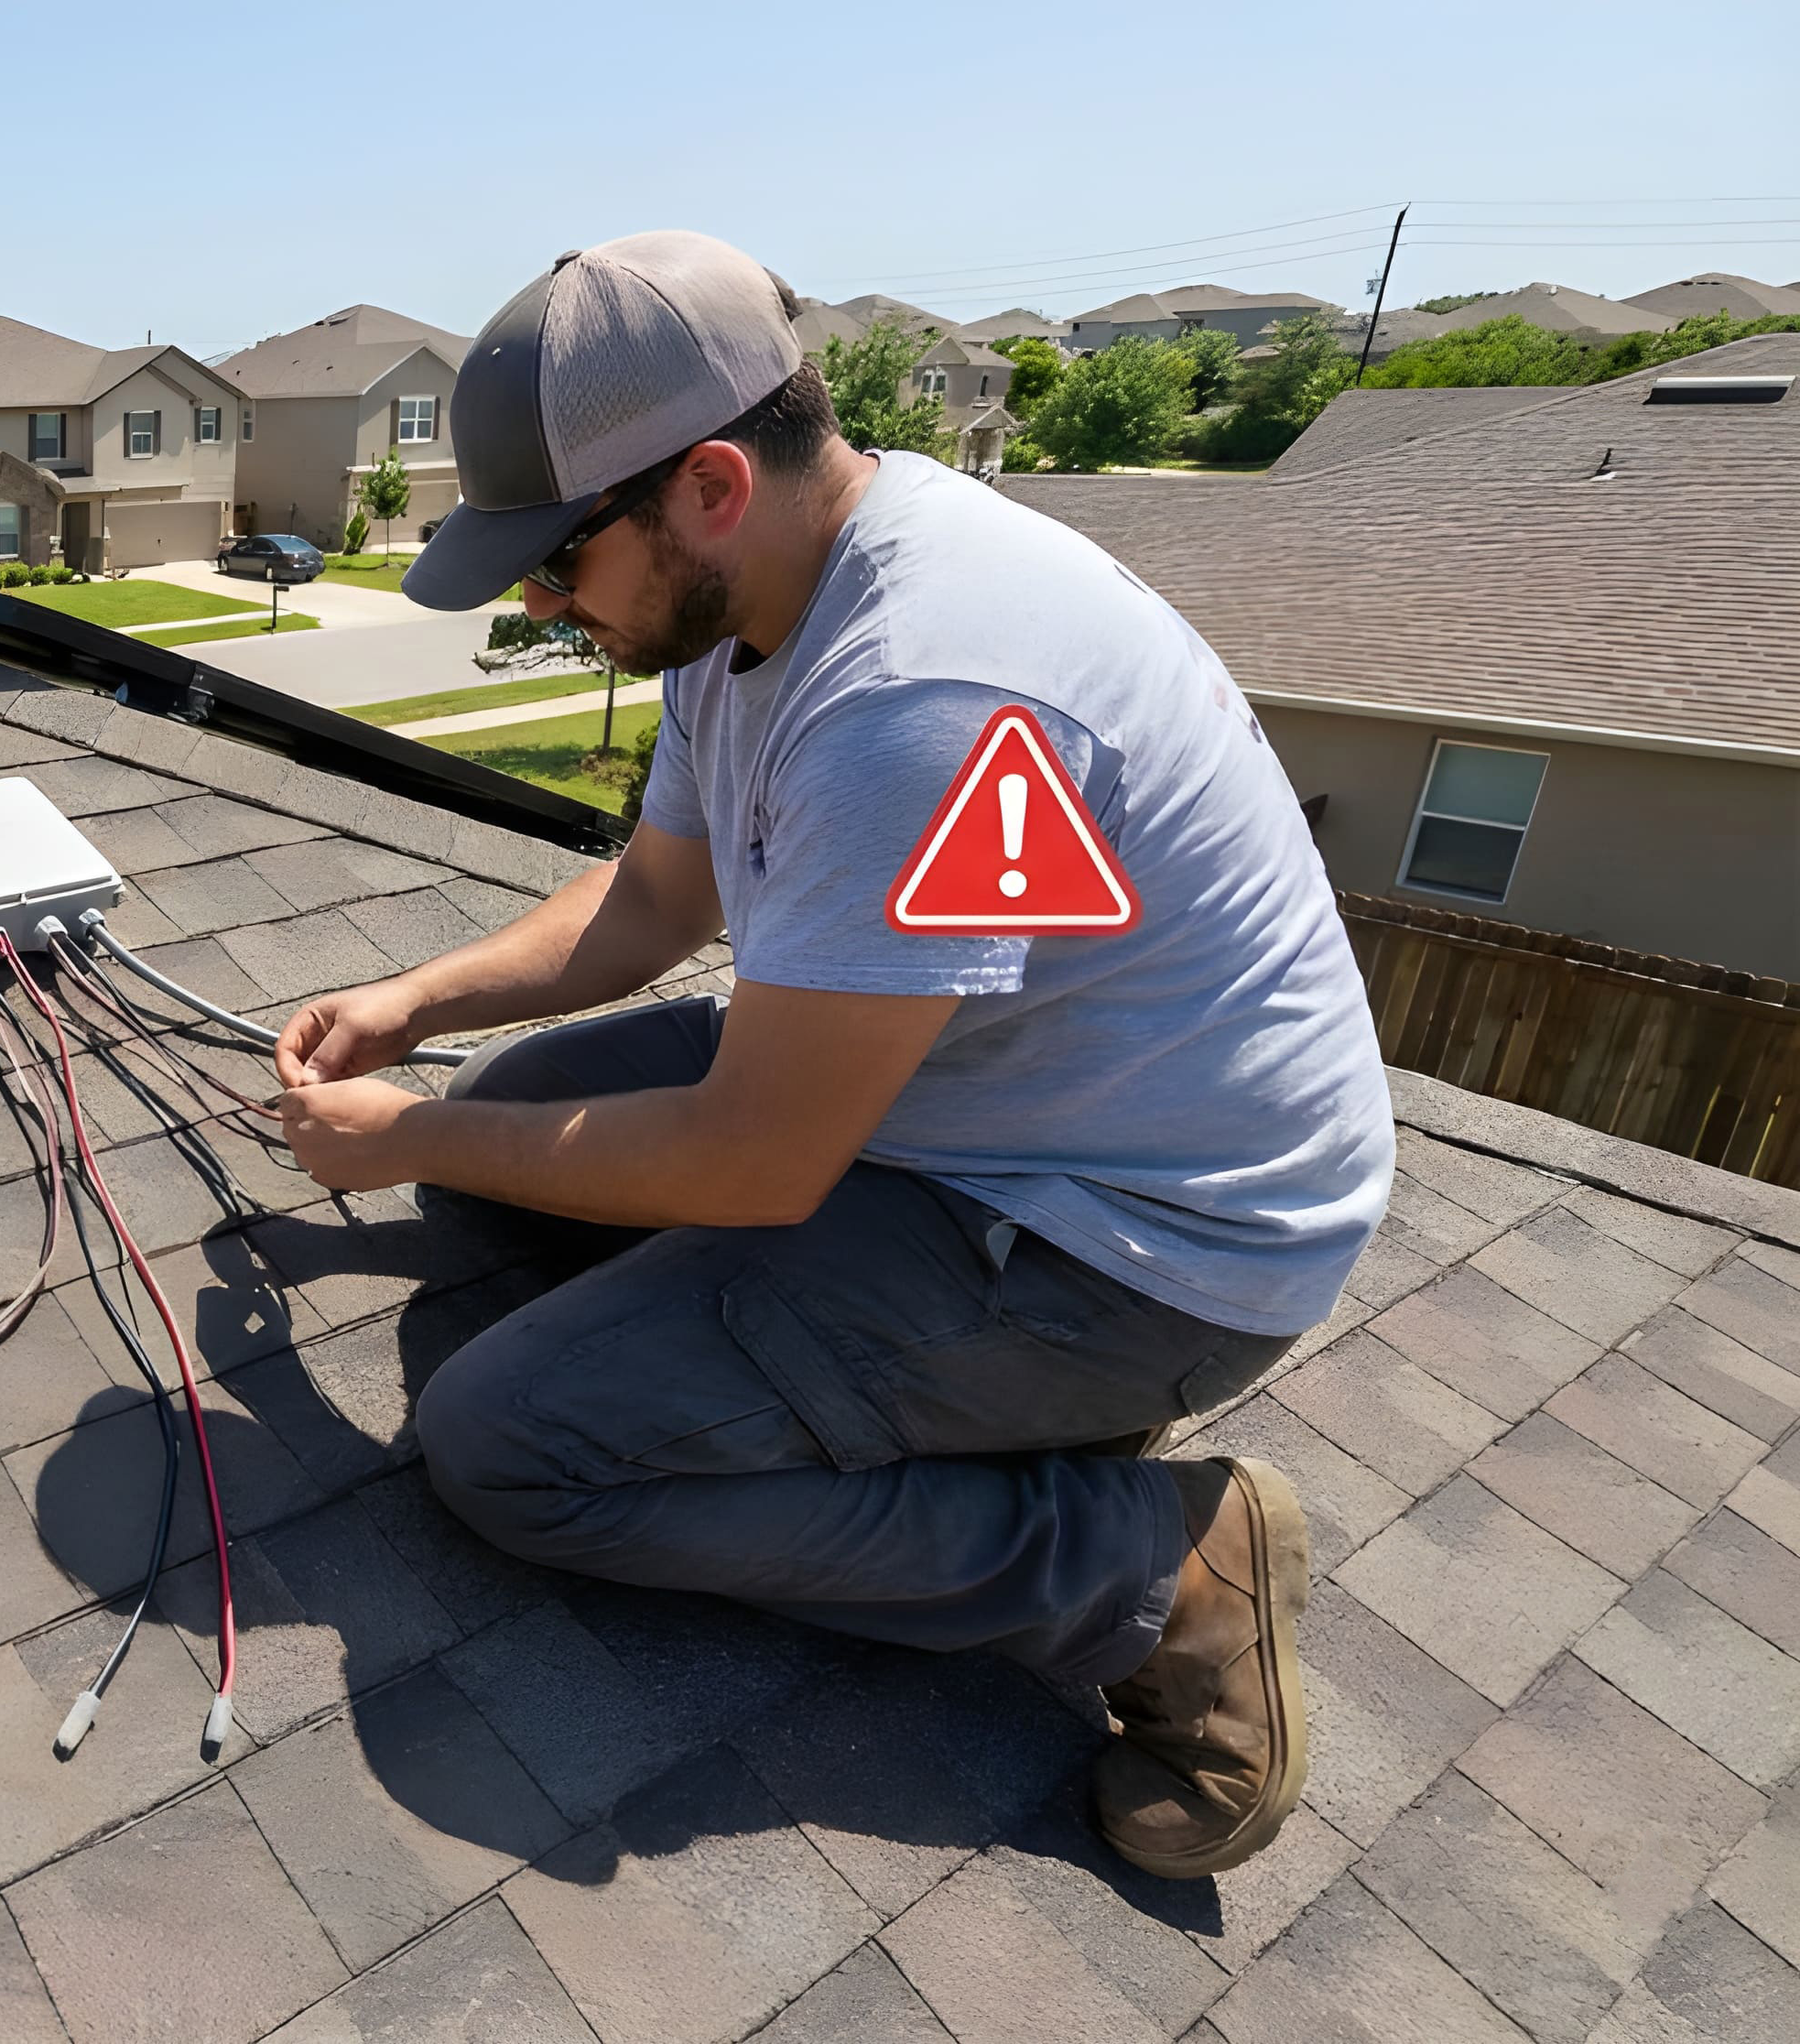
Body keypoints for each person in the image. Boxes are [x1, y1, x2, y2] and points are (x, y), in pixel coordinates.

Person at [266, 230, 1393, 1879]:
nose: (534, 598)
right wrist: (418, 1014)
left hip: (1136, 1248)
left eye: (559, 555)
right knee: (519, 1120)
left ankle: (1157, 1571)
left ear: (710, 483)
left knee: (517, 1446)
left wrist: (407, 1138)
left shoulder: (914, 692)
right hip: (972, 1105)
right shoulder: (774, 597)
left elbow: (751, 1161)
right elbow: (657, 898)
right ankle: (957, 1416)